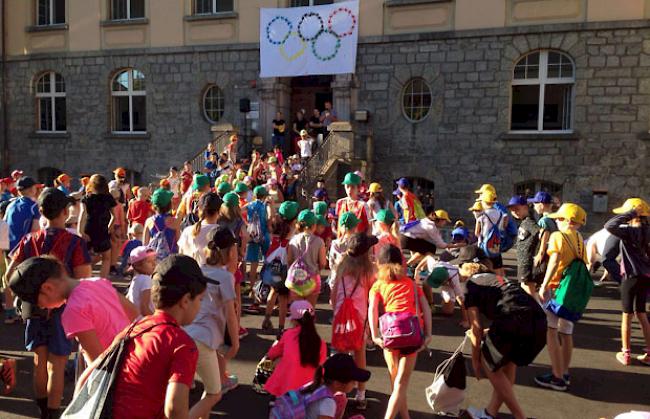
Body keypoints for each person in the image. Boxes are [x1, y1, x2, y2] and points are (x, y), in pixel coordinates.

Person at [4, 187, 92, 418]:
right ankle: (53, 413)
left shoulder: (29, 241)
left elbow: (9, 277)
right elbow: (83, 282)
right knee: (58, 365)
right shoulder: (75, 242)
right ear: (66, 211)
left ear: (41, 211)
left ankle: (42, 411)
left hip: (33, 307)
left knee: (39, 362)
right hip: (63, 310)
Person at [96, 255, 207, 419]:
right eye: (200, 299)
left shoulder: (133, 329)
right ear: (185, 301)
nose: (200, 306)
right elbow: (175, 408)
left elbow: (87, 379)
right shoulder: (182, 344)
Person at [9, 256, 137, 366]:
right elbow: (135, 315)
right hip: (136, 355)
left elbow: (99, 362)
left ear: (47, 288)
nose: (41, 307)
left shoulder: (73, 311)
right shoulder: (98, 282)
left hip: (120, 372)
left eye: (37, 302)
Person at [461, 263, 547, 419]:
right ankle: (490, 413)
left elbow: (476, 327)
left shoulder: (470, 285)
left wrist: (475, 361)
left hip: (512, 318)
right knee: (509, 362)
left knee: (488, 362)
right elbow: (510, 304)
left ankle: (520, 416)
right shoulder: (499, 279)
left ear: (466, 274)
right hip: (538, 318)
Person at [368, 244, 432, 419]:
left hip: (390, 334)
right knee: (402, 384)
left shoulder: (378, 285)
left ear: (379, 263)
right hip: (411, 333)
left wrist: (374, 335)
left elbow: (372, 309)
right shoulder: (411, 283)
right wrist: (428, 334)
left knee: (395, 382)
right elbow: (425, 307)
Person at [185, 226, 241, 415]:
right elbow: (230, 314)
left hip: (186, 333)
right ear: (230, 251)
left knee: (186, 389)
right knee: (214, 393)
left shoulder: (198, 270)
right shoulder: (225, 277)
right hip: (203, 339)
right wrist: (235, 342)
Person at [535, 203, 587, 392]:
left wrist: (544, 285)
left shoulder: (558, 236)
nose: (556, 221)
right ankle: (564, 372)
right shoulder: (580, 238)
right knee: (566, 332)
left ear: (567, 220)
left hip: (557, 289)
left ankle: (556, 377)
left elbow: (554, 261)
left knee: (551, 330)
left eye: (558, 218)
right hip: (572, 292)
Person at [330, 233, 377, 410]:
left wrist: (337, 311)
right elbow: (372, 297)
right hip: (359, 317)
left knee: (339, 354)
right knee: (359, 353)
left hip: (341, 316)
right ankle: (361, 393)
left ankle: (336, 392)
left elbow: (334, 296)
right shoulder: (369, 271)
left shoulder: (341, 268)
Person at [604, 198, 650, 366]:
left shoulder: (628, 232)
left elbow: (609, 225)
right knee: (642, 314)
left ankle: (626, 353)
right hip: (645, 277)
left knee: (627, 317)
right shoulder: (648, 230)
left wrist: (630, 213)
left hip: (630, 277)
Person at [278, 353, 371, 419]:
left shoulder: (315, 385)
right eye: (353, 380)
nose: (355, 383)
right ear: (337, 383)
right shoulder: (328, 404)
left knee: (341, 398)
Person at [264, 300, 327, 397]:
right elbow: (320, 363)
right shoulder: (320, 343)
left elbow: (272, 354)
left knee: (280, 360)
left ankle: (286, 400)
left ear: (294, 321)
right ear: (313, 319)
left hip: (289, 387)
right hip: (310, 387)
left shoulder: (288, 335)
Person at [261, 201, 298, 335]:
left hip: (272, 263)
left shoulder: (276, 227)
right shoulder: (293, 230)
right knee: (283, 299)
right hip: (284, 267)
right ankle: (281, 327)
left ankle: (266, 318)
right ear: (294, 218)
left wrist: (270, 206)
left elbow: (271, 218)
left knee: (273, 291)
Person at [78, 174, 118, 278]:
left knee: (86, 256)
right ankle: (102, 280)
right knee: (106, 257)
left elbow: (83, 214)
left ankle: (85, 277)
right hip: (102, 229)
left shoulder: (87, 198)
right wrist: (110, 226)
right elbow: (114, 216)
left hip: (89, 228)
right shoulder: (108, 198)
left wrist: (80, 231)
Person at [288, 210, 327, 306]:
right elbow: (322, 263)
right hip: (312, 278)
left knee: (297, 310)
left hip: (296, 277)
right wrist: (318, 269)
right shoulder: (319, 241)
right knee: (309, 310)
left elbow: (289, 260)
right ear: (313, 225)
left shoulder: (293, 240)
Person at [507, 195, 542, 300]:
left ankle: (535, 312)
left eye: (517, 209)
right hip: (523, 262)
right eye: (512, 210)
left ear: (526, 208)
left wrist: (541, 252)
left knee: (528, 291)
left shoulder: (529, 222)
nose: (514, 212)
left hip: (527, 262)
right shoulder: (524, 222)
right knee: (526, 289)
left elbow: (543, 233)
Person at [243, 186, 271, 314]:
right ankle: (265, 287)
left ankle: (252, 289)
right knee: (267, 260)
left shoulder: (250, 204)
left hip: (252, 235)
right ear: (264, 195)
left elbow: (239, 210)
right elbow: (269, 218)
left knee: (253, 263)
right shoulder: (265, 205)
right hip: (264, 235)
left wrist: (246, 223)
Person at [178, 192, 222, 266]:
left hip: (191, 275)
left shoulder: (187, 231)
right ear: (219, 211)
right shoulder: (223, 232)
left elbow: (180, 257)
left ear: (199, 209)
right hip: (215, 276)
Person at [475, 189, 508, 276]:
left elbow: (477, 232)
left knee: (485, 270)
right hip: (495, 245)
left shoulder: (482, 215)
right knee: (499, 270)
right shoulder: (500, 214)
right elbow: (502, 228)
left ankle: (489, 287)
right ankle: (501, 284)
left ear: (484, 202)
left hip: (483, 247)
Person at [5, 176, 41, 254]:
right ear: (32, 189)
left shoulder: (10, 205)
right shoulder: (34, 206)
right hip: (21, 249)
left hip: (7, 248)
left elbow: (4, 224)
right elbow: (35, 230)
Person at [143, 188, 180, 259]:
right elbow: (178, 243)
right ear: (169, 205)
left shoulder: (149, 221)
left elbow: (145, 244)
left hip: (154, 259)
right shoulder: (175, 221)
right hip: (171, 259)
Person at [529, 191, 558, 273]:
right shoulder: (555, 217)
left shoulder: (543, 221)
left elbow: (544, 238)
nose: (534, 206)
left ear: (541, 205)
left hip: (546, 254)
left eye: (535, 204)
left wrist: (539, 254)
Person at [126, 246, 157, 317]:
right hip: (145, 321)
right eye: (149, 262)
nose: (154, 264)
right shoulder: (146, 279)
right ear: (137, 265)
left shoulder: (135, 279)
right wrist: (157, 319)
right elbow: (144, 308)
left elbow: (127, 299)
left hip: (135, 320)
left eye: (154, 260)